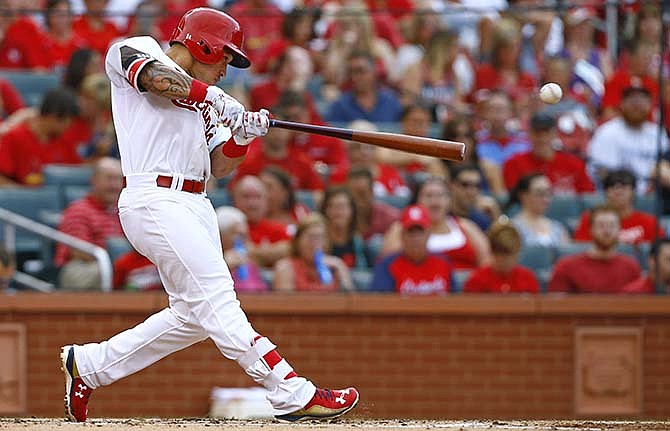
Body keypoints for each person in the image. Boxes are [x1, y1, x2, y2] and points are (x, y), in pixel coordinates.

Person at [59, 8, 359, 424]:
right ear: (202, 44)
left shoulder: (204, 103)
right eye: (224, 57)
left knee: (193, 316)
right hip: (154, 198)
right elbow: (153, 78)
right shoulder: (137, 49)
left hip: (196, 204)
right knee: (218, 299)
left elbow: (220, 165)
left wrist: (241, 136)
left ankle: (90, 366)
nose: (225, 69)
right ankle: (291, 390)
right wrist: (213, 97)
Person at [382, 176, 491, 270]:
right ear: (417, 200)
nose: (435, 202)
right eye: (429, 196)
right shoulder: (402, 228)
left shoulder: (466, 226)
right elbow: (387, 263)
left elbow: (487, 262)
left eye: (440, 195)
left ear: (450, 200)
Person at [55, 157, 124, 290]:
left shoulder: (123, 210)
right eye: (109, 179)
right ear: (94, 180)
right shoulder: (78, 210)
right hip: (82, 267)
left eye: (118, 179)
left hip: (113, 264)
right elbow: (80, 252)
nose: (115, 186)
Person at [588, 86, 669, 194]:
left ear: (650, 105)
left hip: (655, 196)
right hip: (617, 195)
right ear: (621, 104)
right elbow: (602, 172)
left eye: (642, 101)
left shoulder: (657, 132)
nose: (637, 106)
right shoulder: (607, 132)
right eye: (632, 101)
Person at [548, 204, 641, 293]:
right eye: (601, 225)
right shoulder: (566, 267)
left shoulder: (631, 267)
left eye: (612, 225)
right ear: (591, 229)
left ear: (620, 229)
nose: (607, 231)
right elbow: (556, 304)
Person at [0, 88, 81, 187]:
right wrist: (27, 194)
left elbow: (75, 173)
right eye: (67, 121)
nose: (69, 126)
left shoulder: (65, 140)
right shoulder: (14, 137)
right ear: (53, 116)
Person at [503, 112, 594, 195]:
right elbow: (513, 200)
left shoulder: (574, 164)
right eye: (537, 132)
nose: (542, 138)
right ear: (529, 134)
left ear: (554, 134)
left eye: (546, 132)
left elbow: (587, 197)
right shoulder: (514, 164)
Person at [369, 205, 453, 294]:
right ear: (402, 235)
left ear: (428, 234)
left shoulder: (443, 262)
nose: (415, 238)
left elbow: (457, 300)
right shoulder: (387, 265)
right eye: (410, 231)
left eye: (420, 231)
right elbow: (380, 302)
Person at [573, 169, 662, 245]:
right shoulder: (590, 219)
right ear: (605, 193)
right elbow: (581, 250)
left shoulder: (650, 223)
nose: (618, 192)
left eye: (623, 187)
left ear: (633, 192)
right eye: (612, 187)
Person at [273, 213, 354, 292]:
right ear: (298, 241)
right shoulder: (285, 267)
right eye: (311, 237)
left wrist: (340, 272)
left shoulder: (336, 265)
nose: (315, 244)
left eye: (320, 238)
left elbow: (352, 302)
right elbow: (285, 303)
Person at [462, 219, 540, 294]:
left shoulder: (528, 279)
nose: (509, 261)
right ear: (493, 252)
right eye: (503, 257)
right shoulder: (477, 280)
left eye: (513, 256)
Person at [231, 175, 292, 269]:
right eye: (246, 197)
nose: (252, 203)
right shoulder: (227, 227)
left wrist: (253, 251)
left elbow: (290, 249)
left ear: (266, 201)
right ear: (235, 200)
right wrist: (269, 253)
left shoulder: (278, 228)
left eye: (257, 197)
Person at [216, 205, 269, 293]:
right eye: (238, 235)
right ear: (220, 235)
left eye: (245, 235)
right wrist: (225, 267)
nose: (242, 241)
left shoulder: (251, 262)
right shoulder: (212, 263)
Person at [508, 173, 569, 247]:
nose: (545, 199)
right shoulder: (512, 228)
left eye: (548, 192)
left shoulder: (558, 228)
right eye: (539, 193)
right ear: (523, 195)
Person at [320, 186, 372, 269]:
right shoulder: (317, 242)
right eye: (332, 206)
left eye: (342, 206)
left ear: (352, 211)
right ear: (325, 210)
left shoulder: (359, 244)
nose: (338, 212)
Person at [346, 166, 400, 242]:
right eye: (353, 195)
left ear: (372, 192)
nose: (357, 201)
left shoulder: (387, 215)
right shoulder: (341, 215)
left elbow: (401, 224)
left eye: (362, 194)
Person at [259, 166, 311, 234]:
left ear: (284, 192)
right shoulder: (252, 215)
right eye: (260, 186)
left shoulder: (299, 212)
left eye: (269, 187)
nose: (263, 192)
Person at [448, 163, 500, 232]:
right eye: (465, 185)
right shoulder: (440, 216)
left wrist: (495, 216)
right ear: (451, 185)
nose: (472, 192)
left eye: (477, 185)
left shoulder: (481, 220)